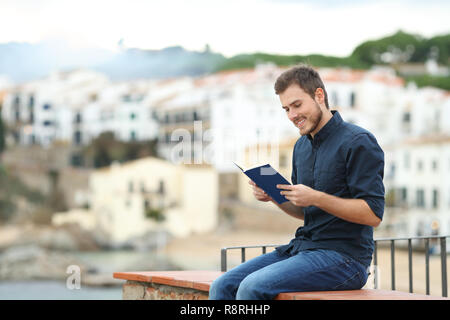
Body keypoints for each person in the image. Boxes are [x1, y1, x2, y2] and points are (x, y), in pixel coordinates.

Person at [209, 64, 385, 300]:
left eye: (297, 105)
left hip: (347, 258)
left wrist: (315, 197)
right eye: (286, 109)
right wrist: (274, 196)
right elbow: (305, 212)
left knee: (251, 288)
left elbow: (373, 215)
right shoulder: (301, 147)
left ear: (319, 95)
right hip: (302, 248)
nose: (292, 116)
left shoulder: (359, 142)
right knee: (222, 285)